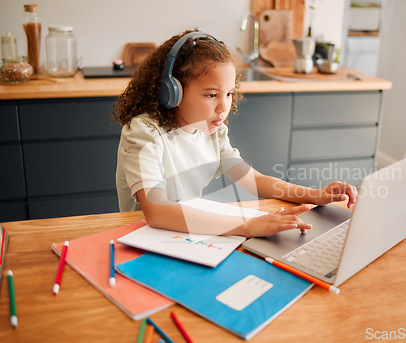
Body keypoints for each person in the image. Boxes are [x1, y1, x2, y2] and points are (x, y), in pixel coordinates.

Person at [112, 30, 357, 238]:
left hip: (186, 234)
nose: (223, 107)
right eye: (211, 95)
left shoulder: (213, 133)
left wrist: (315, 195)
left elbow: (253, 180)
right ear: (171, 92)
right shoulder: (144, 134)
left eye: (229, 94)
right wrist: (246, 225)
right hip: (144, 236)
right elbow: (157, 211)